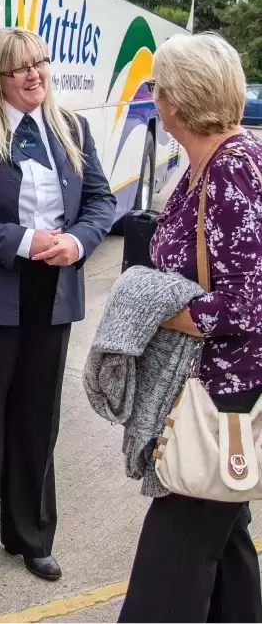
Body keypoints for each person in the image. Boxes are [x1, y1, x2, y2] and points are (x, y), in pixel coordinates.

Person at [0, 27, 115, 584]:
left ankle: (32, 536)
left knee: (39, 420)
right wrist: (22, 241)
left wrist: (78, 241)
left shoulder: (71, 126)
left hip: (51, 294)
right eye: (20, 68)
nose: (35, 74)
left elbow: (102, 199)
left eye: (40, 62)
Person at [118, 33, 262, 624]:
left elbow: (245, 306)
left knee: (172, 559)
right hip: (217, 386)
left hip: (219, 394)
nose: (152, 97)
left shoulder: (231, 172)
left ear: (174, 102)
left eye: (156, 88)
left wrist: (151, 306)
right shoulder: (224, 160)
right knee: (224, 542)